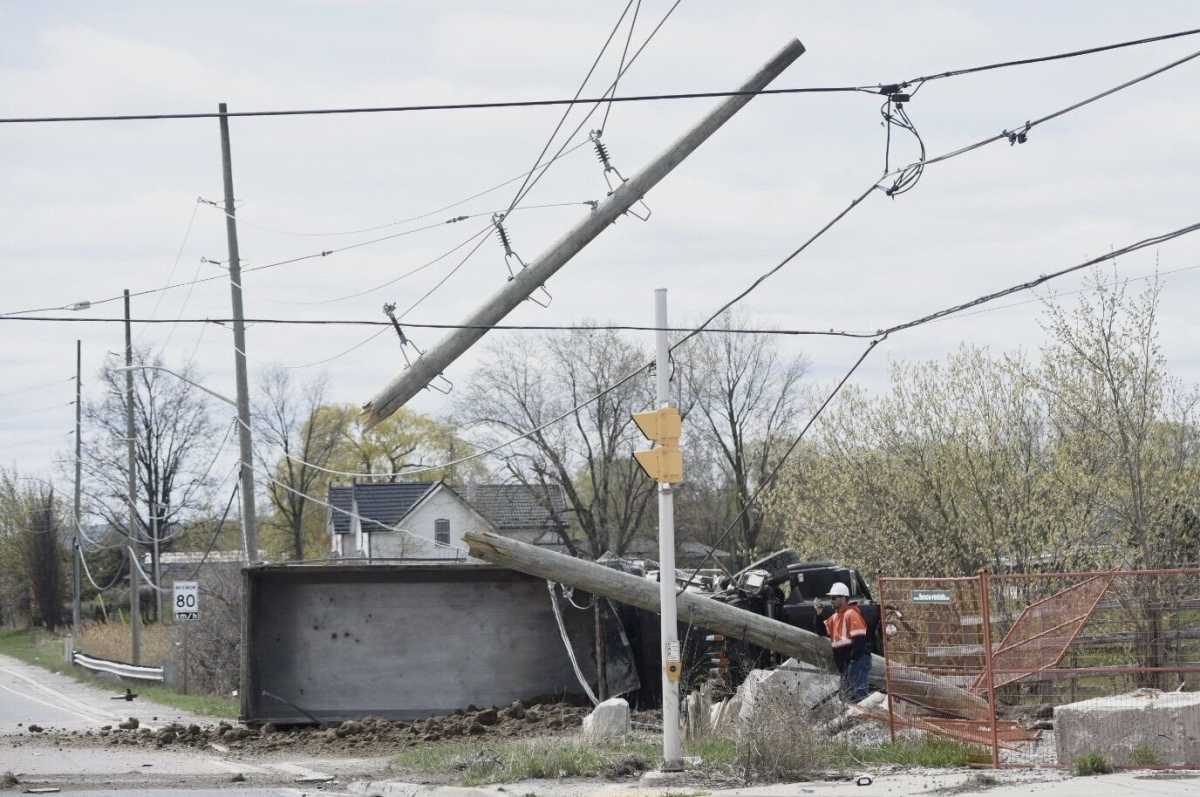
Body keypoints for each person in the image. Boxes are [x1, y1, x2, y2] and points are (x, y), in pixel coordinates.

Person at [813, 582, 871, 702]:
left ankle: (865, 720)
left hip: (856, 662)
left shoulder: (851, 614)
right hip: (847, 664)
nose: (831, 601)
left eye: (834, 598)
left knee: (858, 697)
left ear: (843, 598)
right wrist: (818, 614)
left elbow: (860, 640)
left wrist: (852, 661)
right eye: (831, 598)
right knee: (846, 698)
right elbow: (821, 631)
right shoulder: (835, 617)